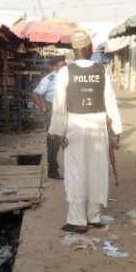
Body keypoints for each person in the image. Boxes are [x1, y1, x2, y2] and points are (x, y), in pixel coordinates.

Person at [49, 29, 123, 234]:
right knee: (97, 170)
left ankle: (77, 220)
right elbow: (110, 101)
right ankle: (95, 217)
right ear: (89, 49)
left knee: (75, 172)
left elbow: (59, 105)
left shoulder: (65, 72)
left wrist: (58, 131)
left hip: (74, 127)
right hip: (98, 126)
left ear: (74, 50)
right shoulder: (102, 71)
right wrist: (116, 128)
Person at [32, 55, 67, 179]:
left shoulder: (69, 77)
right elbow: (35, 94)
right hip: (52, 111)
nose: (65, 67)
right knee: (53, 141)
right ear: (55, 67)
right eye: (62, 65)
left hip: (66, 110)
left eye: (65, 64)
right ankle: (52, 170)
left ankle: (73, 169)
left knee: (68, 139)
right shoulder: (49, 79)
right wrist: (43, 107)